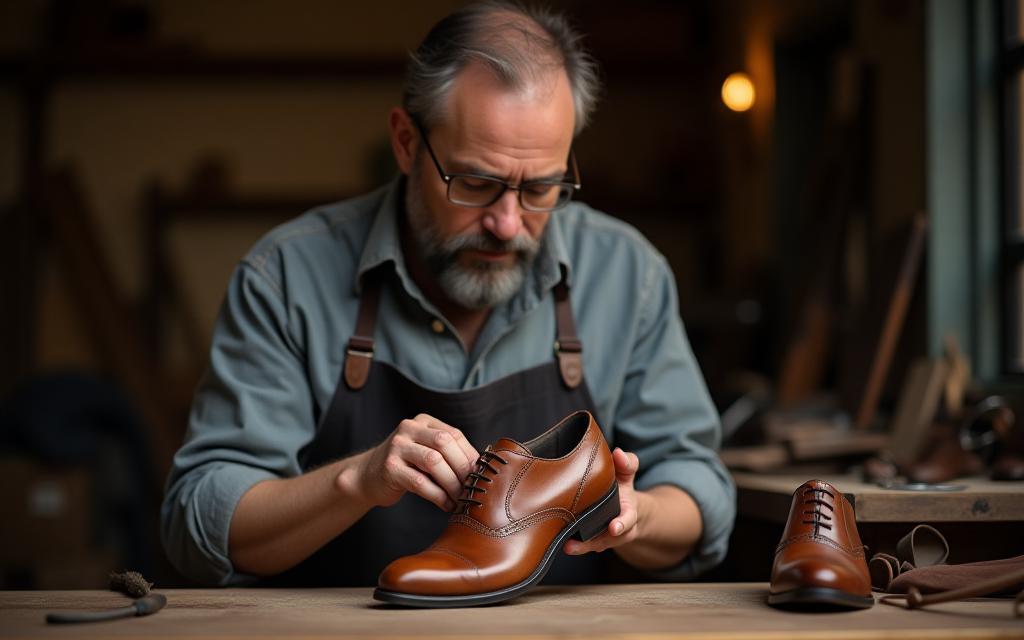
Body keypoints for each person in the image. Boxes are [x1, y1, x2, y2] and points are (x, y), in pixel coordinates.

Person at [161, 0, 735, 587]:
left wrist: (638, 517)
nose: (507, 224)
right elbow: (200, 520)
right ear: (406, 143)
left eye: (541, 189)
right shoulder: (285, 276)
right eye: (477, 183)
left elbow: (700, 490)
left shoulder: (627, 273)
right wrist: (357, 481)